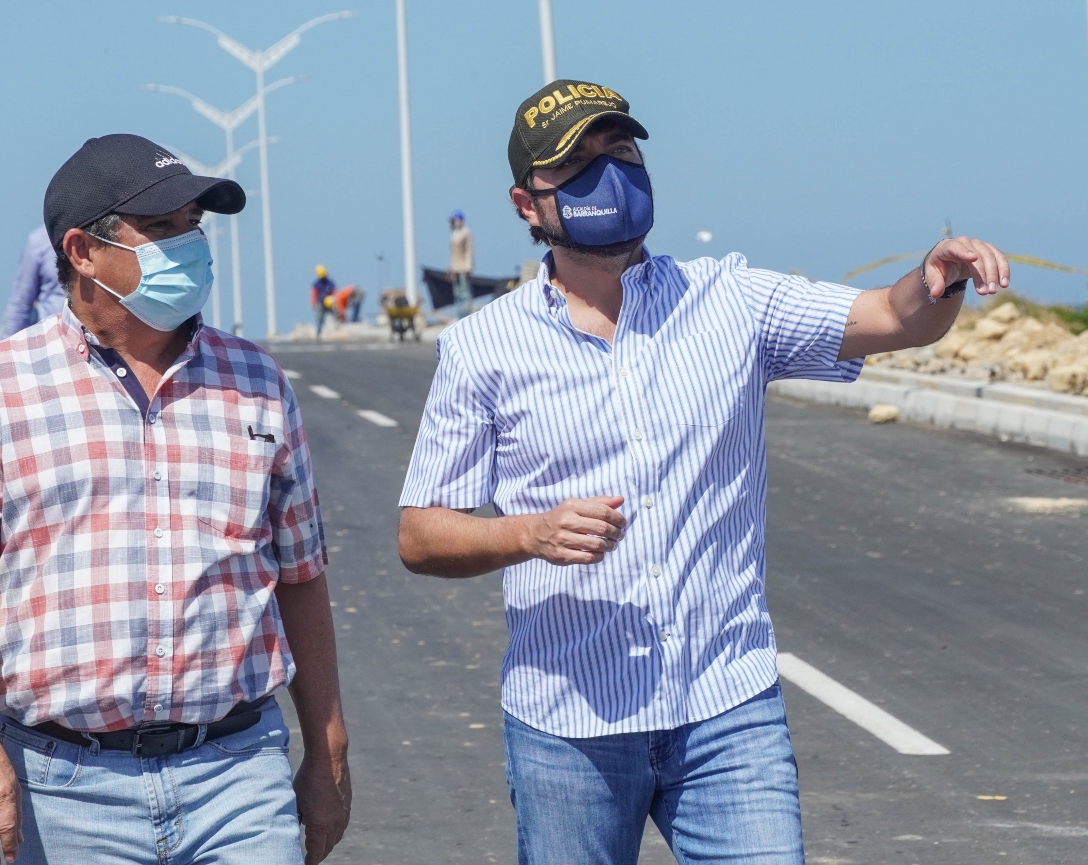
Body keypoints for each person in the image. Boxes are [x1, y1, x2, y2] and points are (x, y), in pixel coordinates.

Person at [398, 80, 1008, 864]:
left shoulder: (731, 301)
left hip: (727, 707)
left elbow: (890, 318)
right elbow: (419, 534)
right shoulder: (481, 348)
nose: (608, 174)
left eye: (620, 152)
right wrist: (530, 533)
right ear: (527, 203)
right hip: (569, 724)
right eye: (577, 164)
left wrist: (939, 275)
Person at [0, 134, 350, 865]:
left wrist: (328, 748)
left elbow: (301, 574)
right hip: (64, 788)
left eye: (193, 224)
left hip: (236, 773)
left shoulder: (258, 381)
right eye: (161, 229)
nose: (188, 245)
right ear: (83, 251)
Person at [0, 227, 65, 336]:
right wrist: (6, 348)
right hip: (53, 339)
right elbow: (20, 302)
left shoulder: (96, 232)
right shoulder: (38, 241)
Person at [448, 210, 474, 317]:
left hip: (464, 267)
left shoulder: (466, 232)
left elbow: (469, 250)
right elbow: (452, 254)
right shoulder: (454, 234)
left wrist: (469, 266)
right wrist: (450, 268)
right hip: (455, 267)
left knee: (465, 293)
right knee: (457, 293)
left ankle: (466, 314)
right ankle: (459, 315)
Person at [311, 265, 336, 337]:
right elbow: (314, 294)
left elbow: (334, 292)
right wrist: (313, 303)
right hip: (320, 303)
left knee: (336, 315)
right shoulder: (316, 284)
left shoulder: (330, 283)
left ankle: (336, 330)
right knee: (319, 318)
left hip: (330, 303)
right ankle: (319, 332)